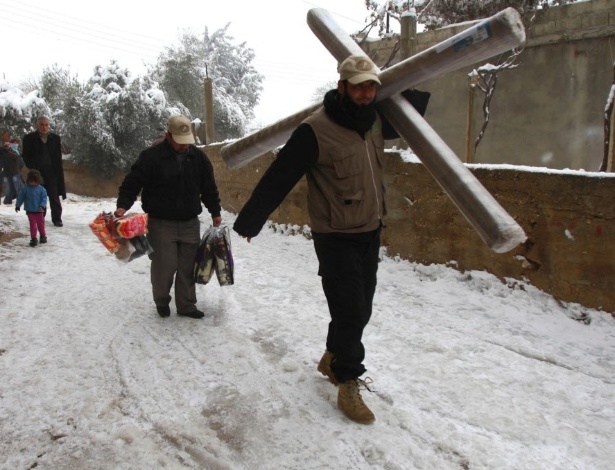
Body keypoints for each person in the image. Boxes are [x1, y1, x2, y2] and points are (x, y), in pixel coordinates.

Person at [233, 55, 429, 424]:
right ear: (341, 86)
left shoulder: (374, 121)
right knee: (351, 310)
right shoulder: (315, 130)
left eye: (372, 86)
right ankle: (348, 381)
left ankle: (332, 356)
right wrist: (250, 221)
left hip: (370, 231)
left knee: (360, 308)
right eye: (358, 86)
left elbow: (410, 117)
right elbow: (280, 175)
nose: (366, 93)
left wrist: (408, 78)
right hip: (335, 237)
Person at [115, 115, 222, 319]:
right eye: (179, 142)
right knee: (165, 264)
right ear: (168, 136)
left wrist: (215, 212)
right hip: (161, 222)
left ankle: (186, 305)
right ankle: (162, 300)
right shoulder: (151, 157)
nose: (184, 146)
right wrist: (122, 206)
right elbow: (132, 182)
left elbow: (209, 187)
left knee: (188, 266)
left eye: (187, 142)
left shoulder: (198, 158)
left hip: (190, 221)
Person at [22, 116, 66, 227]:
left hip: (52, 172)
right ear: (38, 125)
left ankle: (57, 219)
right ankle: (39, 217)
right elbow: (26, 156)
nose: (44, 127)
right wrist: (33, 167)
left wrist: (57, 171)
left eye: (46, 124)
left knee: (54, 195)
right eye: (42, 124)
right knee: (38, 196)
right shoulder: (29, 138)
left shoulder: (55, 138)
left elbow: (57, 156)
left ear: (48, 125)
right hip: (37, 173)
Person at [15, 169, 48, 247]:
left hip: (39, 211)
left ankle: (43, 236)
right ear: (28, 180)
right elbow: (21, 197)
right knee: (32, 225)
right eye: (31, 181)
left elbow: (44, 198)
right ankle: (33, 238)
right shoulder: (25, 189)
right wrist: (17, 205)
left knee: (40, 224)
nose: (33, 183)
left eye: (35, 181)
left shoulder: (41, 189)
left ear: (38, 181)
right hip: (30, 211)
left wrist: (42, 206)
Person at [2, 138, 25, 205]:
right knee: (17, 188)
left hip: (15, 172)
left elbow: (20, 162)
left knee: (13, 188)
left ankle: (8, 201)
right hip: (12, 173)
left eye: (16, 143)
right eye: (13, 143)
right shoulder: (8, 152)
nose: (15, 144)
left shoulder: (16, 151)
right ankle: (17, 201)